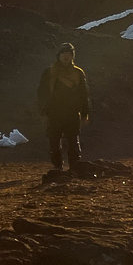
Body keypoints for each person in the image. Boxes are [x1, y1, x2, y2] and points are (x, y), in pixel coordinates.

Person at [36, 42, 91, 171]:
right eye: (63, 54)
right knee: (54, 140)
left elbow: (84, 94)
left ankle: (74, 165)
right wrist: (42, 109)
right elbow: (42, 92)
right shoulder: (49, 72)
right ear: (59, 56)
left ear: (72, 56)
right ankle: (57, 165)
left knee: (73, 140)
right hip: (54, 112)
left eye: (69, 54)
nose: (66, 56)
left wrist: (85, 113)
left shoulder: (78, 73)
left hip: (72, 112)